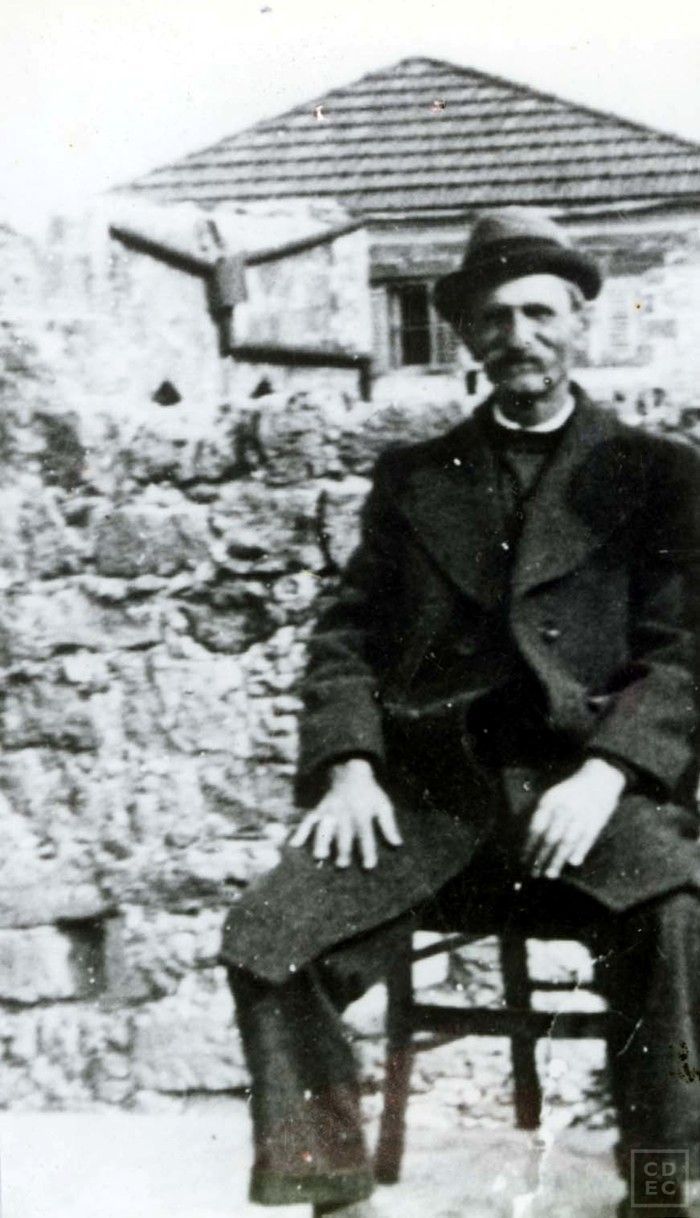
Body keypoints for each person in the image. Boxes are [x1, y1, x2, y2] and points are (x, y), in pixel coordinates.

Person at [221, 209, 700, 1218]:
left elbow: (682, 651)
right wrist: (349, 765)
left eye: (540, 313)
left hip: (588, 801)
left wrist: (608, 770)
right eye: (495, 318)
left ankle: (663, 1192)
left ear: (579, 324)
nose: (518, 336)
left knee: (675, 922)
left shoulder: (658, 474)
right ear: (468, 337)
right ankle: (336, 1196)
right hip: (434, 805)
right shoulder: (414, 478)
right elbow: (347, 637)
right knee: (269, 935)